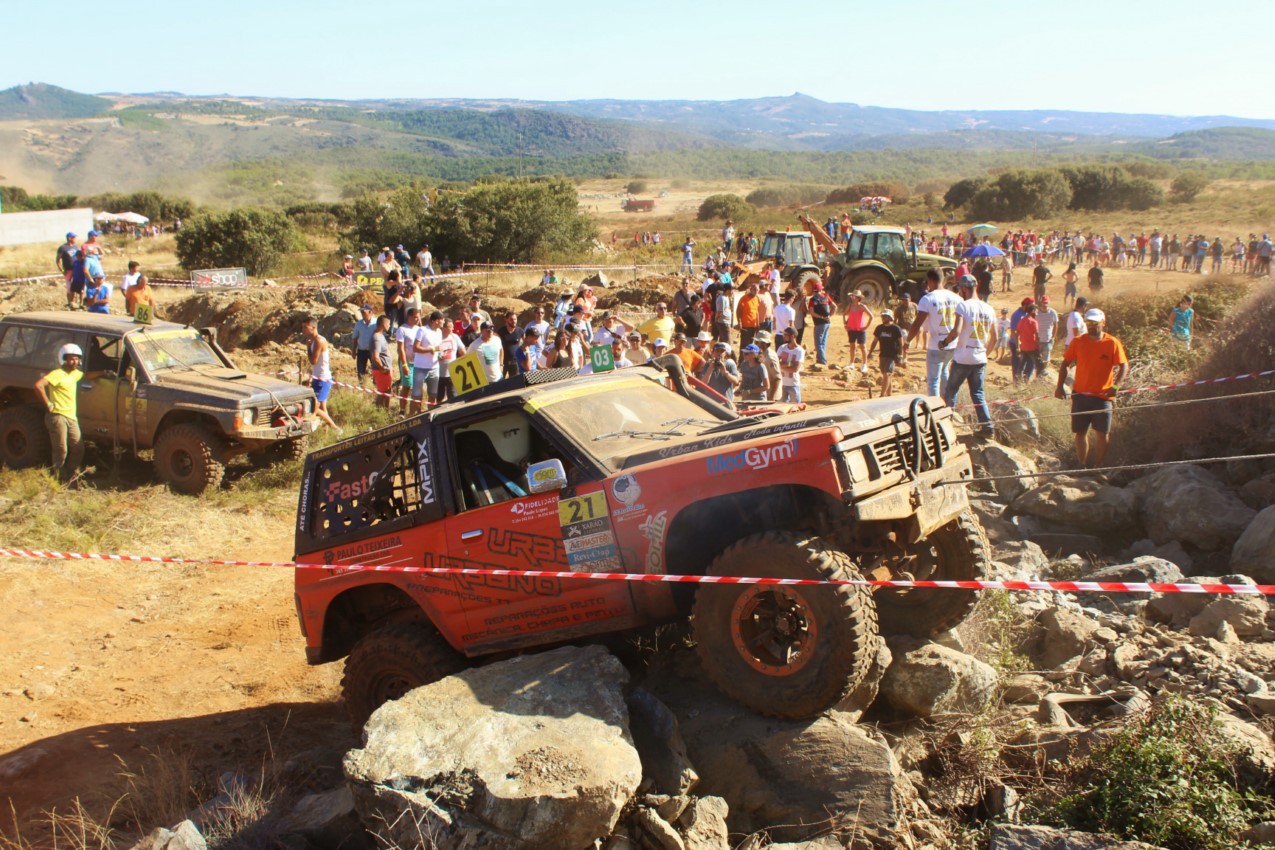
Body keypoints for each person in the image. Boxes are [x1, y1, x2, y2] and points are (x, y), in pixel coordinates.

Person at [1055, 308, 1128, 469]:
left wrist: (1116, 385)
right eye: (1088, 323)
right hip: (1080, 394)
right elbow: (1065, 363)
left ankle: (1098, 466)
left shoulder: (1112, 343)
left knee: (1102, 434)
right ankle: (1082, 466)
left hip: (1103, 397)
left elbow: (1124, 365)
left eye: (1095, 323)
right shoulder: (1078, 341)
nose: (1091, 326)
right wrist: (1059, 386)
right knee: (1080, 433)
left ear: (1103, 323)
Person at [34, 343, 111, 484]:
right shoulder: (57, 374)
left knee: (78, 447)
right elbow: (38, 385)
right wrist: (48, 404)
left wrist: (103, 373)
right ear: (63, 359)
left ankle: (70, 473)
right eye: (71, 359)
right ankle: (58, 476)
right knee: (61, 448)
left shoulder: (75, 374)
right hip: (57, 416)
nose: (75, 362)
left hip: (71, 417)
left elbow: (86, 375)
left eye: (76, 359)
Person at [939, 276, 995, 438]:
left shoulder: (963, 306)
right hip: (980, 357)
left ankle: (947, 423)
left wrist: (944, 342)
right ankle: (987, 427)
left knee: (951, 390)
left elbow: (956, 331)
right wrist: (985, 353)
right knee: (978, 394)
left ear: (964, 289)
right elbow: (995, 337)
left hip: (963, 357)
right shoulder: (988, 308)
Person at [908, 268, 960, 397]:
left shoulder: (928, 299)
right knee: (944, 372)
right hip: (952, 343)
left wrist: (908, 341)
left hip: (936, 344)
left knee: (933, 381)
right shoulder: (956, 298)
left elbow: (917, 324)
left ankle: (934, 409)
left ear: (930, 280)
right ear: (942, 279)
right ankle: (947, 403)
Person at [300, 316, 340, 433]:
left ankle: (336, 429)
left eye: (305, 327)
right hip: (318, 377)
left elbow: (313, 361)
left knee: (314, 407)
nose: (303, 329)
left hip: (323, 379)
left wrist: (308, 348)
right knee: (322, 407)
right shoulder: (314, 340)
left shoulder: (319, 341)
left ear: (313, 328)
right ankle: (326, 433)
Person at [412, 310, 447, 412]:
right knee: (417, 394)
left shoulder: (439, 332)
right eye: (442, 320)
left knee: (433, 394)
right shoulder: (422, 330)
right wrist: (432, 349)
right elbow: (415, 348)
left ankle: (430, 415)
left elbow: (438, 348)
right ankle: (416, 416)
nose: (443, 322)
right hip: (420, 367)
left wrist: (440, 355)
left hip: (434, 368)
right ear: (436, 321)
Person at [866, 309, 905, 396]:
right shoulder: (879, 328)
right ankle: (889, 394)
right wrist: (870, 352)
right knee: (886, 375)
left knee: (887, 374)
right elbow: (875, 341)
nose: (883, 318)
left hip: (893, 355)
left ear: (890, 317)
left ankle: (882, 395)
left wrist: (900, 355)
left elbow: (901, 343)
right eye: (882, 316)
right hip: (883, 354)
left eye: (885, 316)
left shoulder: (896, 328)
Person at [395, 307, 422, 416]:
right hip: (408, 362)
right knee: (407, 386)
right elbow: (401, 348)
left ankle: (416, 409)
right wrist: (404, 364)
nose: (417, 320)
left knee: (418, 387)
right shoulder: (402, 330)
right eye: (415, 317)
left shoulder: (419, 329)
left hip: (419, 362)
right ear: (409, 317)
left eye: (418, 318)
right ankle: (402, 409)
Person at [699, 341, 741, 407]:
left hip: (725, 403)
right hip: (710, 402)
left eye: (721, 351)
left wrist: (724, 371)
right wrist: (710, 368)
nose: (719, 353)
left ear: (725, 354)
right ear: (712, 352)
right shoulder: (708, 364)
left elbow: (736, 382)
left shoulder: (730, 364)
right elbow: (703, 383)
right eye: (717, 351)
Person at [842, 290, 874, 374]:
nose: (852, 298)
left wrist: (866, 326)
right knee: (852, 345)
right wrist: (845, 323)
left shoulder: (862, 306)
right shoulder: (850, 305)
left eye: (854, 296)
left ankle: (864, 364)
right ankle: (851, 363)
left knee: (862, 346)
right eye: (852, 296)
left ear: (858, 298)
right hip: (851, 329)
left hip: (860, 329)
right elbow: (844, 314)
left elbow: (871, 316)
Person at [806, 281, 835, 367]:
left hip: (819, 323)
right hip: (827, 323)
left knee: (818, 343)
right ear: (821, 289)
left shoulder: (813, 299)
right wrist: (830, 315)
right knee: (823, 342)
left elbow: (811, 312)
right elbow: (835, 306)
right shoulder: (826, 297)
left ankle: (823, 360)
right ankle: (819, 359)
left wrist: (820, 317)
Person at [777, 326, 805, 403]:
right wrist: (790, 363)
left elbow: (795, 369)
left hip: (793, 384)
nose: (784, 336)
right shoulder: (782, 348)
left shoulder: (800, 351)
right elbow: (776, 364)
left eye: (786, 335)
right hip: (782, 383)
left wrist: (781, 366)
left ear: (792, 336)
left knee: (795, 408)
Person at [351, 304, 378, 386]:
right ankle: (362, 386)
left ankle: (376, 386)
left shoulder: (376, 323)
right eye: (361, 312)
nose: (362, 313)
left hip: (373, 351)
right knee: (360, 370)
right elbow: (355, 338)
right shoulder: (358, 324)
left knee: (376, 369)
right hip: (361, 350)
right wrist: (353, 350)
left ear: (370, 312)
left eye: (364, 311)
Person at [370, 315, 393, 409]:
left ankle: (385, 410)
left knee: (387, 392)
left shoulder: (380, 335)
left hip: (385, 370)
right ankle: (379, 413)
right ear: (383, 324)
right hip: (381, 371)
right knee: (383, 393)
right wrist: (382, 369)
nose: (390, 325)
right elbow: (375, 356)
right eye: (389, 323)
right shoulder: (377, 338)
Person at [1014, 303, 1040, 382]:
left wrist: (1018, 346)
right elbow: (1037, 336)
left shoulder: (1021, 321)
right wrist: (1039, 347)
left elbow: (1017, 334)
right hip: (1032, 347)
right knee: (1039, 365)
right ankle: (1038, 382)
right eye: (1036, 310)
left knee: (1021, 366)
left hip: (1024, 347)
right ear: (1032, 311)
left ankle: (1018, 383)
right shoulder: (1034, 322)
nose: (1037, 312)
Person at [753, 330, 782, 402]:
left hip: (771, 395)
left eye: (757, 342)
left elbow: (777, 378)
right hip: (765, 393)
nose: (755, 344)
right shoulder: (761, 353)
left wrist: (772, 396)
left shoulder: (770, 357)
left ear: (764, 344)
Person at [1036, 295, 1059, 375]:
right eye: (1043, 303)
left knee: (1046, 359)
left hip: (1047, 340)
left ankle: (1043, 374)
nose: (1045, 305)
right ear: (1040, 303)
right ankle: (1038, 375)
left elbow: (1055, 325)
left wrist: (1053, 337)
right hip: (1038, 340)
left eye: (1046, 303)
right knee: (1037, 359)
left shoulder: (1053, 312)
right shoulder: (1036, 313)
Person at [497, 313, 523, 378]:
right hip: (503, 362)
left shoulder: (520, 331)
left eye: (515, 319)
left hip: (515, 362)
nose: (514, 321)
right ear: (506, 320)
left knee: (515, 383)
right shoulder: (501, 331)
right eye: (511, 319)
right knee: (499, 382)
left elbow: (526, 343)